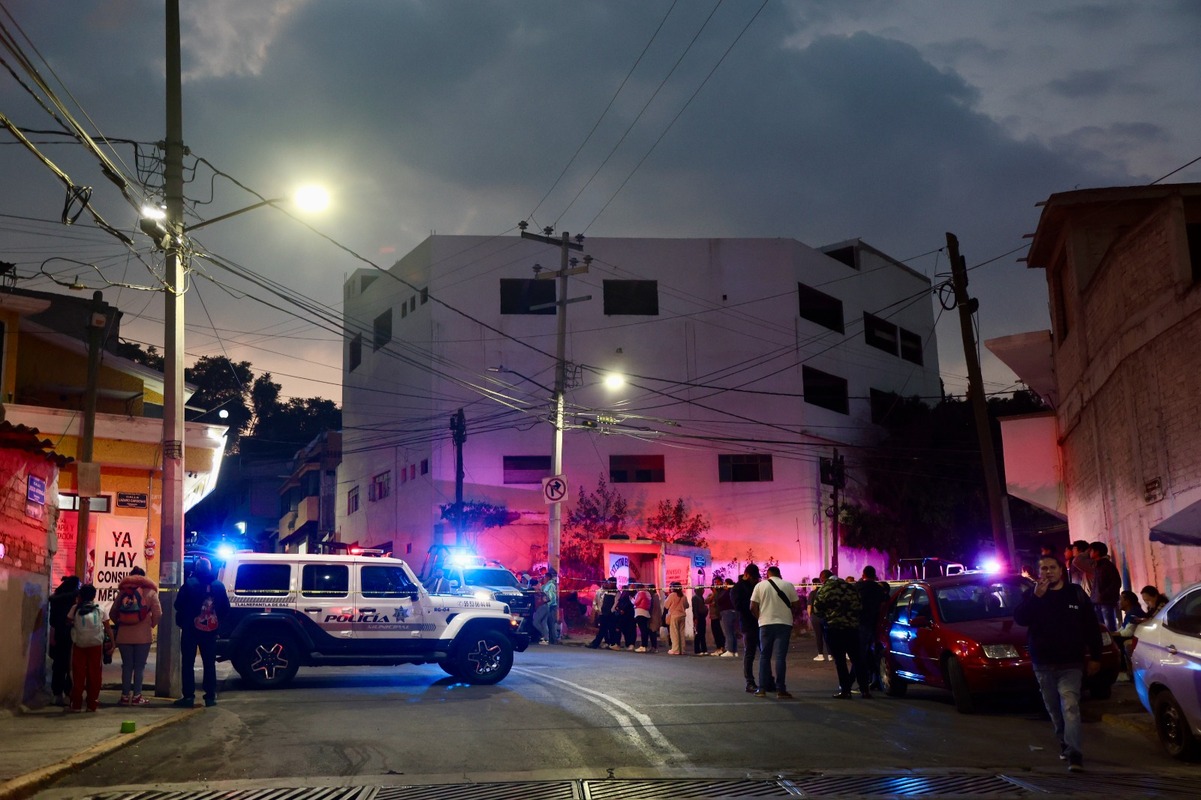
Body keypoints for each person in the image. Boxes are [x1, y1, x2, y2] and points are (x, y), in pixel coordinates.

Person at [1013, 554, 1103, 773]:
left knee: (1070, 706)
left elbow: (1091, 626)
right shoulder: (1031, 595)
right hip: (1043, 662)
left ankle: (1074, 753)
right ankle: (1063, 740)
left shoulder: (1075, 594)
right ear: (1038, 572)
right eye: (1043, 568)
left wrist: (1096, 656)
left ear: (1061, 570)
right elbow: (1021, 619)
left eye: (1052, 567)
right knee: (1054, 708)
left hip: (1071, 662)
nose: (1048, 572)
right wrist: (1036, 598)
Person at [174, 556, 231, 708]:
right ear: (210, 569)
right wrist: (218, 624)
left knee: (188, 663)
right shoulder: (219, 586)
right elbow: (226, 608)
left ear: (196, 569)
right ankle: (210, 697)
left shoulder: (189, 584)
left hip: (190, 630)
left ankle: (188, 697)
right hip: (210, 631)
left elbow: (178, 604)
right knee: (209, 664)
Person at [109, 566, 163, 705]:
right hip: (143, 635)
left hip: (124, 635)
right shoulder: (150, 592)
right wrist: (150, 624)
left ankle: (125, 696)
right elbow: (158, 613)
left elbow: (112, 612)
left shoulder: (123, 592)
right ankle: (137, 696)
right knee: (139, 666)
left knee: (126, 666)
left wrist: (121, 623)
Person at [811, 571, 864, 698]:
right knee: (857, 659)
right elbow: (859, 607)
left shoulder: (825, 589)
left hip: (834, 628)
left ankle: (845, 690)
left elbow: (817, 609)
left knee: (840, 661)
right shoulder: (850, 587)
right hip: (852, 628)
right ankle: (865, 689)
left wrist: (828, 617)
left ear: (822, 579)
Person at [750, 565, 799, 699]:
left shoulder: (760, 586)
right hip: (784, 624)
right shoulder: (788, 585)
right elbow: (796, 605)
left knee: (764, 656)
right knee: (780, 657)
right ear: (779, 574)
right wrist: (789, 615)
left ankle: (761, 688)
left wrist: (760, 617)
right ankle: (781, 689)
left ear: (768, 574)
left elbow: (752, 606)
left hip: (765, 624)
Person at [67, 583, 107, 712]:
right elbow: (107, 627)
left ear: (80, 595)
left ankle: (76, 704)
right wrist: (112, 642)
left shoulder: (75, 608)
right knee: (94, 674)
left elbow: (68, 622)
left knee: (78, 674)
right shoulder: (99, 609)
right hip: (96, 645)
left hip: (79, 644)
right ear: (94, 595)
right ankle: (92, 704)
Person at [48, 575, 81, 706]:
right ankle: (69, 693)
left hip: (59, 636)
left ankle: (57, 694)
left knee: (58, 666)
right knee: (71, 667)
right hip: (73, 637)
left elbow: (52, 622)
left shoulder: (55, 601)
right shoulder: (75, 601)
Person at [856, 566, 890, 691]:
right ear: (874, 575)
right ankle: (876, 679)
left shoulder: (858, 588)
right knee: (875, 652)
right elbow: (883, 606)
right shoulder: (879, 589)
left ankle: (863, 682)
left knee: (861, 654)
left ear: (863, 574)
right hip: (876, 624)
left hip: (861, 623)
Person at [730, 564, 763, 692]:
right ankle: (750, 681)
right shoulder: (738, 588)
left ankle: (767, 680)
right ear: (747, 574)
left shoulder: (756, 586)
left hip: (760, 622)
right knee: (750, 653)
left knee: (764, 652)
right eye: (754, 577)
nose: (756, 580)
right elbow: (739, 606)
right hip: (748, 624)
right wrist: (752, 607)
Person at [1087, 542, 1121, 631]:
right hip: (1098, 601)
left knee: (1109, 629)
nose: (1089, 553)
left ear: (1097, 552)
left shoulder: (1107, 565)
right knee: (1102, 629)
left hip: (1105, 602)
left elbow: (1116, 583)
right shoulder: (1098, 565)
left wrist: (1103, 595)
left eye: (1091, 550)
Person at [1112, 590, 1145, 679]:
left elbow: (1128, 632)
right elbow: (1123, 628)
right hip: (1132, 635)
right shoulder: (1130, 612)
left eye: (1120, 599)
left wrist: (1113, 635)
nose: (1119, 602)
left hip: (1139, 637)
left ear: (1127, 601)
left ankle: (1124, 671)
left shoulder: (1134, 612)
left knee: (1116, 642)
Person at [587, 579, 618, 649]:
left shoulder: (615, 592)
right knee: (603, 629)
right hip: (602, 613)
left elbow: (615, 603)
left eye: (608, 583)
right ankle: (600, 643)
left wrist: (611, 611)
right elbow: (596, 602)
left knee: (609, 629)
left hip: (610, 614)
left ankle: (610, 643)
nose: (607, 584)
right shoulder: (600, 592)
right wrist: (598, 610)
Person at [810, 570, 832, 661]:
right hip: (826, 616)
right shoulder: (828, 590)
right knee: (827, 635)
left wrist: (810, 616)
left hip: (816, 617)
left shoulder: (813, 593)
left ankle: (820, 655)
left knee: (819, 636)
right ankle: (831, 655)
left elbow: (809, 607)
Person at [533, 568, 559, 644]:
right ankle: (548, 639)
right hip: (548, 606)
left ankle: (551, 639)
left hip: (549, 606)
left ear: (547, 577)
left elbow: (550, 597)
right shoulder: (546, 585)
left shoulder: (550, 585)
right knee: (545, 623)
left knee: (550, 623)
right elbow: (541, 590)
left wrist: (546, 602)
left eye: (544, 577)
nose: (543, 578)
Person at [664, 582, 688, 655]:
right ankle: (682, 650)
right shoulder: (684, 596)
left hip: (674, 616)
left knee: (674, 633)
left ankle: (675, 649)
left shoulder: (672, 595)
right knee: (681, 633)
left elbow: (666, 605)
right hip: (682, 616)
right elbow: (687, 605)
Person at [706, 577, 726, 656]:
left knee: (720, 632)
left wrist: (715, 596)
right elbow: (706, 601)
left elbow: (720, 601)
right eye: (715, 582)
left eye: (718, 582)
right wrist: (713, 595)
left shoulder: (722, 592)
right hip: (713, 616)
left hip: (719, 616)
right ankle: (718, 648)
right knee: (715, 633)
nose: (716, 584)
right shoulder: (712, 594)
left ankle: (722, 647)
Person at [718, 578, 738, 658]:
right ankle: (734, 650)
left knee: (728, 632)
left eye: (725, 584)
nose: (723, 585)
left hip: (726, 612)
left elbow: (719, 601)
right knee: (733, 632)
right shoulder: (734, 592)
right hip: (734, 612)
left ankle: (729, 650)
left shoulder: (727, 593)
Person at [633, 584, 653, 652]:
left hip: (640, 612)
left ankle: (643, 646)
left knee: (643, 630)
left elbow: (636, 602)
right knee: (645, 630)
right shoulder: (648, 593)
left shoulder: (641, 593)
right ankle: (645, 645)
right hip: (646, 613)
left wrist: (632, 599)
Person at [691, 586, 709, 655]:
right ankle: (697, 650)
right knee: (698, 634)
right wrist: (696, 618)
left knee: (702, 634)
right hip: (698, 617)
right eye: (702, 590)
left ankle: (704, 649)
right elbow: (695, 609)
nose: (703, 591)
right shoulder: (695, 598)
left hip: (702, 617)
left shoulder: (701, 597)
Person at [647, 584, 664, 653]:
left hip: (653, 617)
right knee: (652, 633)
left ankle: (654, 647)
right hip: (655, 617)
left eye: (648, 589)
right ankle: (653, 646)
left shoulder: (654, 597)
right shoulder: (655, 597)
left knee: (652, 633)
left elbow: (652, 609)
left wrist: (649, 616)